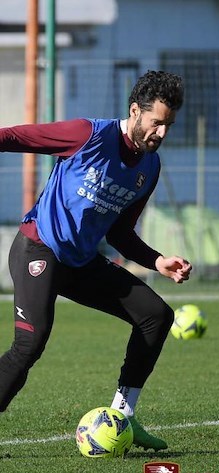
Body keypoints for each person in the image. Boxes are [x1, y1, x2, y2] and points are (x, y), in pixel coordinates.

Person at [0, 70, 192, 451]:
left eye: (169, 125)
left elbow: (119, 234)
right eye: (157, 123)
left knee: (156, 316)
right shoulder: (86, 135)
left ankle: (124, 416)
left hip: (80, 262)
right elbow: (13, 137)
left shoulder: (149, 169)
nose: (162, 133)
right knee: (29, 346)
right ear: (135, 111)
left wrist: (158, 262)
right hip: (39, 249)